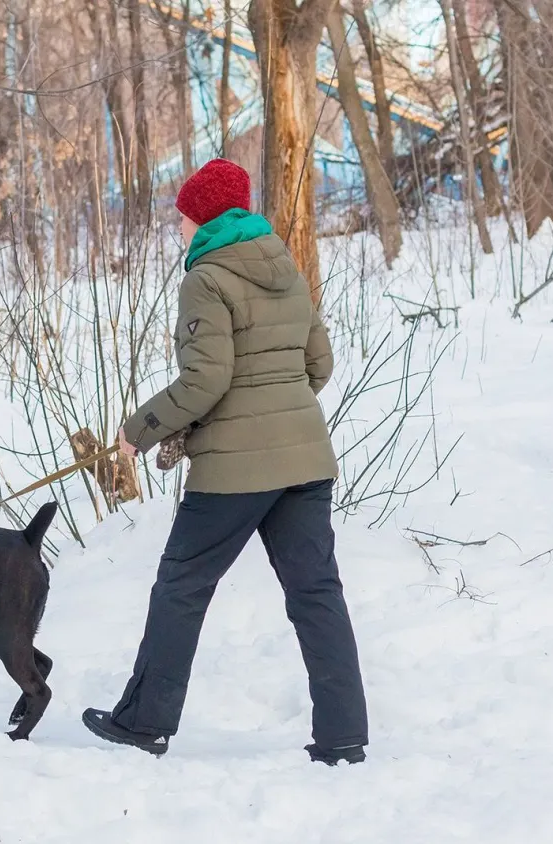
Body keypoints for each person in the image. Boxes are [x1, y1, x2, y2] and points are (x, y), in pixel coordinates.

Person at [81, 158, 368, 765]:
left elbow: (205, 380)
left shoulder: (205, 279)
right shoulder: (284, 267)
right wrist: (279, 415)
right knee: (317, 593)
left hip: (235, 471)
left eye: (182, 217)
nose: (178, 229)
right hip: (306, 461)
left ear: (203, 218)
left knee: (181, 585)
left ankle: (144, 722)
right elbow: (319, 365)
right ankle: (343, 737)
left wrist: (139, 429)